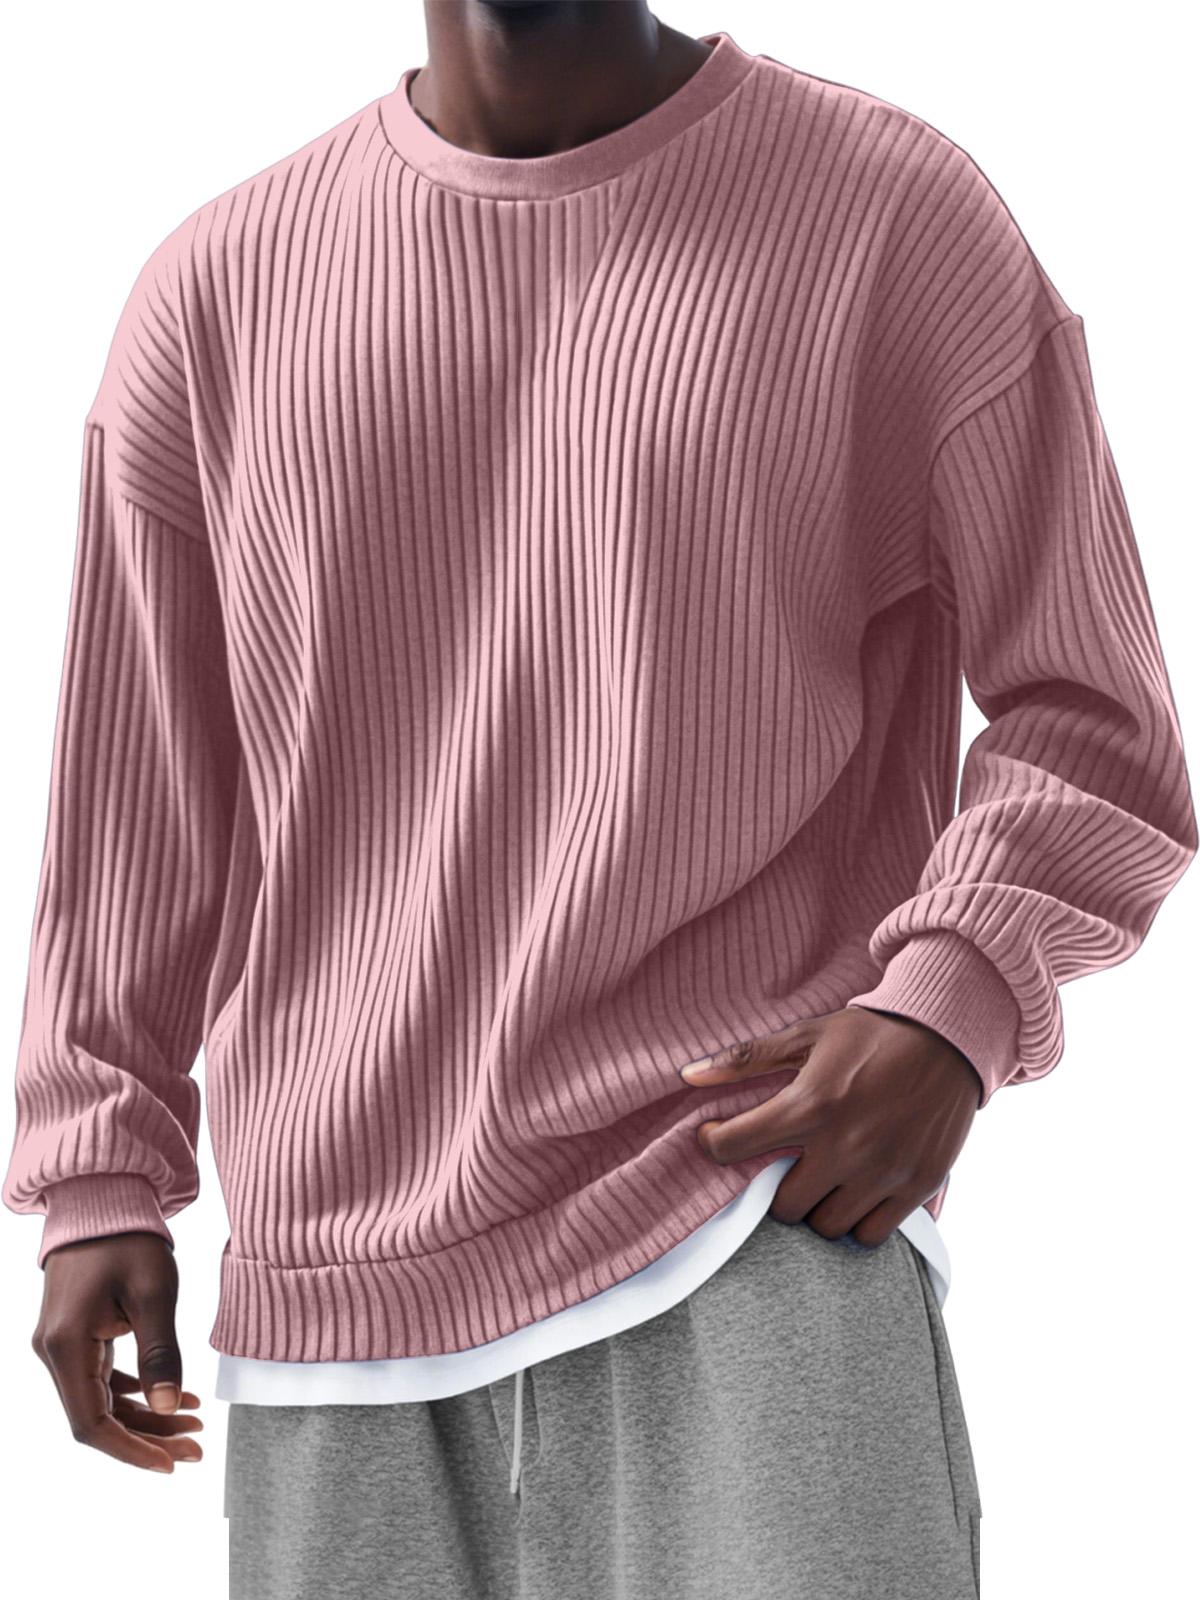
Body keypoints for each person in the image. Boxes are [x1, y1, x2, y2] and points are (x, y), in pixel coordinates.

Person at [5, 4, 1195, 1597]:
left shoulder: (894, 216)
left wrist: (951, 1004)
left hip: (754, 1220)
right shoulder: (213, 294)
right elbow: (136, 806)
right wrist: (97, 1169)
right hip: (335, 1310)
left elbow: (1095, 713)